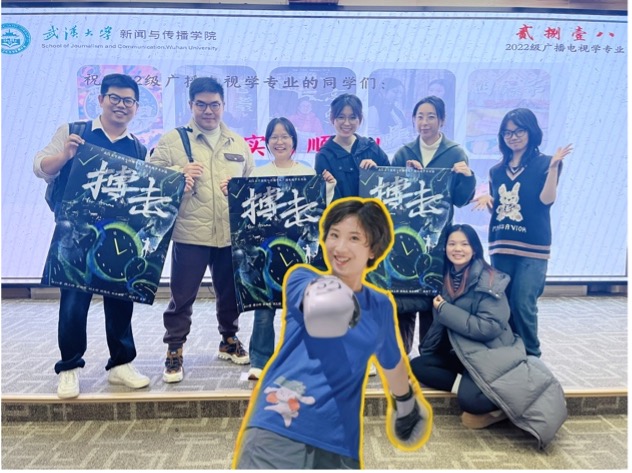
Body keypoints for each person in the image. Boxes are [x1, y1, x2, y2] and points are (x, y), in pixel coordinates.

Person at [233, 198, 432, 469]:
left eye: (354, 238)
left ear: (373, 249)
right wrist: (346, 308)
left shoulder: (380, 305)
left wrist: (406, 405)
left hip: (340, 442)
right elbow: (322, 309)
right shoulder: (301, 278)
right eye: (334, 235)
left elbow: (392, 364)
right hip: (278, 426)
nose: (339, 247)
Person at [33, 73, 150, 399]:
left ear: (136, 107)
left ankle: (121, 364)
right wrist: (65, 156)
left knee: (121, 301)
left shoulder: (138, 148)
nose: (121, 105)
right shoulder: (75, 132)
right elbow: (40, 167)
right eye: (115, 98)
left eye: (128, 101)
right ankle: (69, 368)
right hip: (75, 236)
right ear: (100, 99)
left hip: (117, 238)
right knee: (73, 302)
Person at [409, 224, 567, 448]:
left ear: (474, 248)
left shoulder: (490, 280)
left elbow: (488, 327)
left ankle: (495, 402)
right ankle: (478, 386)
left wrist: (445, 310)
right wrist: (430, 349)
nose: (457, 249)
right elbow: (441, 326)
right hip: (464, 353)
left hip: (492, 352)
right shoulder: (445, 276)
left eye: (464, 244)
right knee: (419, 366)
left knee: (470, 402)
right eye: (452, 244)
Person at [149, 76, 254, 383]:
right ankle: (174, 349)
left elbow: (249, 186)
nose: (209, 111)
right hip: (190, 233)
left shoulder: (238, 143)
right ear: (191, 105)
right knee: (182, 296)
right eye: (202, 104)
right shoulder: (172, 140)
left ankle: (229, 339)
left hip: (228, 234)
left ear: (223, 105)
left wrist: (238, 190)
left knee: (230, 293)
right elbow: (151, 179)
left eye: (214, 104)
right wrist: (179, 173)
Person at [220, 117, 336, 380]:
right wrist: (232, 193)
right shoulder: (257, 174)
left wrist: (327, 186)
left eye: (285, 136)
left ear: (294, 141)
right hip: (265, 255)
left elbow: (319, 210)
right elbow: (245, 212)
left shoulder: (307, 172)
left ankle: (304, 359)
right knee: (264, 307)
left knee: (302, 309)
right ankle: (260, 361)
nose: (280, 141)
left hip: (299, 254)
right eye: (274, 137)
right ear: (267, 142)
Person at [473, 108, 573, 357]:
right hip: (501, 244)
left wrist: (554, 168)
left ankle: (531, 354)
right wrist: (489, 202)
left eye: (519, 131)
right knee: (503, 303)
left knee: (523, 302)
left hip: (533, 247)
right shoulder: (497, 170)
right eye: (507, 133)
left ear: (531, 132)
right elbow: (502, 209)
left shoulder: (545, 163)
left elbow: (546, 200)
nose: (513, 137)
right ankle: (509, 353)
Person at [391, 96, 476, 355]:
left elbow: (460, 199)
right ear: (413, 120)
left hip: (438, 240)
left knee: (432, 299)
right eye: (420, 117)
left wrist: (468, 178)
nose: (424, 122)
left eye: (431, 117)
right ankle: (400, 357)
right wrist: (407, 177)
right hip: (406, 239)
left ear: (442, 120)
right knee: (404, 299)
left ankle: (428, 358)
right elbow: (392, 198)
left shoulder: (455, 153)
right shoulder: (404, 153)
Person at [315, 93, 391, 201]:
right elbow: (322, 197)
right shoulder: (324, 156)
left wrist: (377, 170)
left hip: (372, 210)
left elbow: (391, 181)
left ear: (359, 119)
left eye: (352, 117)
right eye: (341, 117)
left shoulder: (370, 147)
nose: (347, 123)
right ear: (332, 119)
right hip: (342, 211)